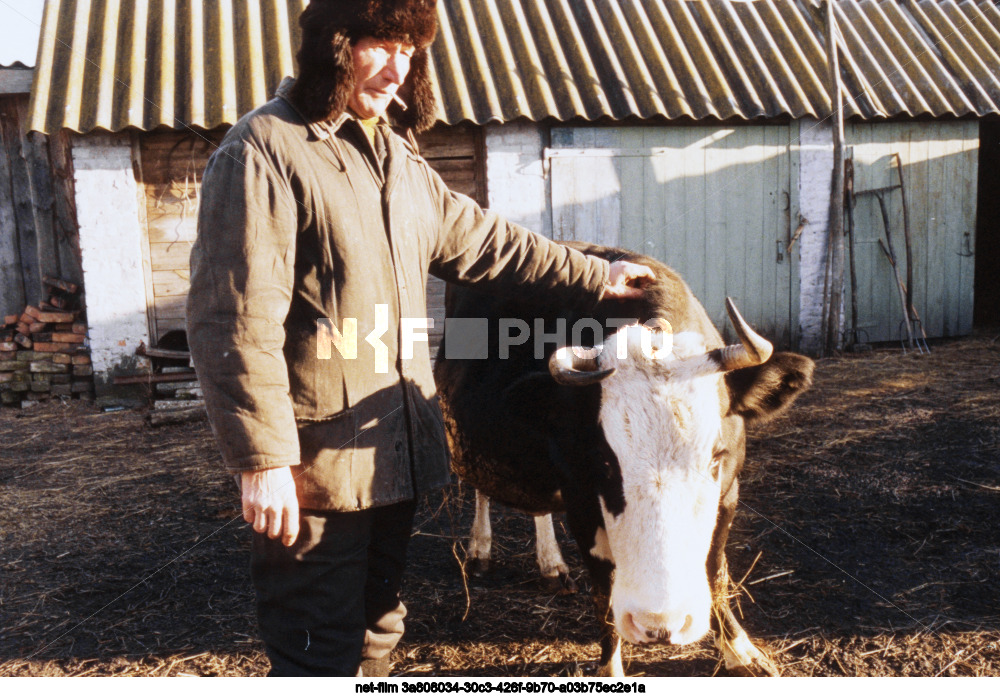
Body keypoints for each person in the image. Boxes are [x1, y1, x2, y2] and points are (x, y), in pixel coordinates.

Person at [187, 0, 654, 677]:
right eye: (382, 45)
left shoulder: (394, 155)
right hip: (316, 470)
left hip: (389, 457)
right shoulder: (265, 149)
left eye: (409, 51)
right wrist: (262, 461)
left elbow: (485, 241)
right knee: (315, 647)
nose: (398, 69)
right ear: (335, 44)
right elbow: (234, 321)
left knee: (377, 634)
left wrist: (593, 276)